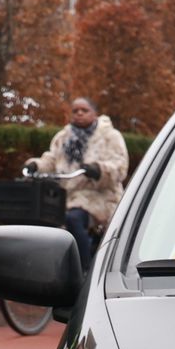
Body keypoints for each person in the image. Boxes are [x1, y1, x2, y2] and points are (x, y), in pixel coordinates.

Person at [25, 97, 129, 269]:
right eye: (75, 111)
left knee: (73, 219)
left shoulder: (110, 136)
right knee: (43, 218)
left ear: (94, 113)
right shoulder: (63, 137)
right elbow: (52, 159)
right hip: (67, 196)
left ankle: (85, 269)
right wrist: (36, 165)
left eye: (84, 110)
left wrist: (99, 169)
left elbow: (120, 165)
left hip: (100, 196)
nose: (79, 113)